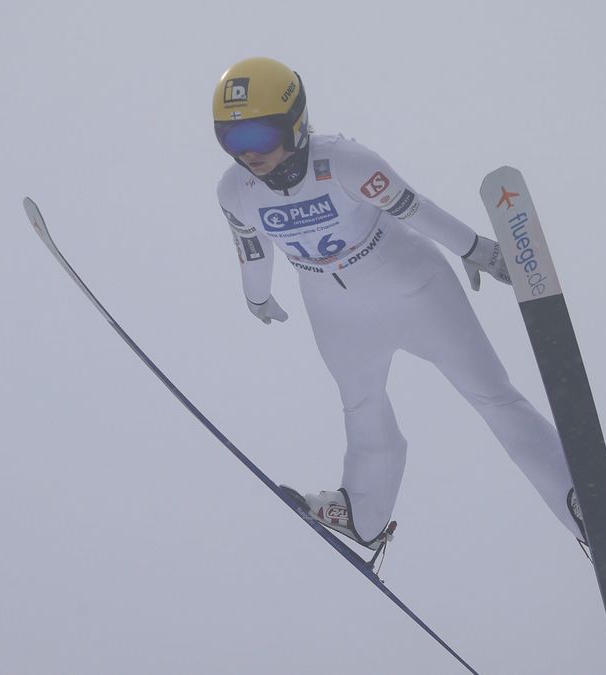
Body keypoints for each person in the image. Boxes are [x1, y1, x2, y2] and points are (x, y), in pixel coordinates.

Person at [212, 57, 586, 551]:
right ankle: (362, 513)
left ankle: (578, 503)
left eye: (259, 136)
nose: (248, 155)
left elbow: (414, 207)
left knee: (492, 395)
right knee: (361, 410)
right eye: (232, 140)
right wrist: (256, 295)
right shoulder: (234, 191)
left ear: (296, 124)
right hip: (336, 316)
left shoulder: (343, 161)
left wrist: (476, 249)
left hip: (414, 290)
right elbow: (252, 249)